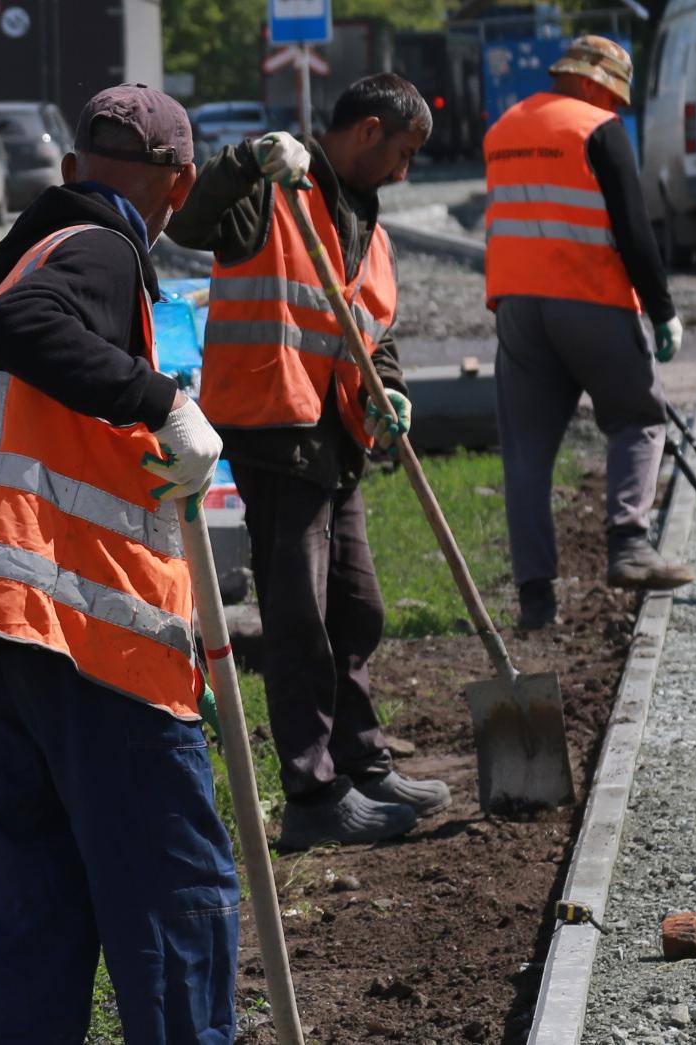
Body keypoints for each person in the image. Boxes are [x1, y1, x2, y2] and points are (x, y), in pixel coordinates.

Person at [0, 85, 237, 1043]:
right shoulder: (98, 249)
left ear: (67, 168)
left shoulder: (40, 250)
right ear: (181, 184)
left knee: (37, 912)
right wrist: (164, 401)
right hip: (87, 638)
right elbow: (21, 327)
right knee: (173, 891)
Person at [164, 72, 451, 851]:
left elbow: (373, 330)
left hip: (335, 440)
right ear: (367, 131)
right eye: (403, 152)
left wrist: (391, 391)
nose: (405, 170)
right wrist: (246, 160)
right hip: (274, 430)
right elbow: (189, 221)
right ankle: (313, 793)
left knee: (356, 610)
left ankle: (363, 762)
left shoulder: (368, 224)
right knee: (300, 619)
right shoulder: (274, 193)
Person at [482, 35, 695, 632]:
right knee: (638, 418)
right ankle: (629, 545)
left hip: (517, 309)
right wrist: (663, 310)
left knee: (526, 454)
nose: (618, 107)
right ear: (591, 81)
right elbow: (633, 228)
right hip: (589, 300)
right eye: (614, 94)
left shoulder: (502, 130)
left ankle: (536, 601)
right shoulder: (596, 129)